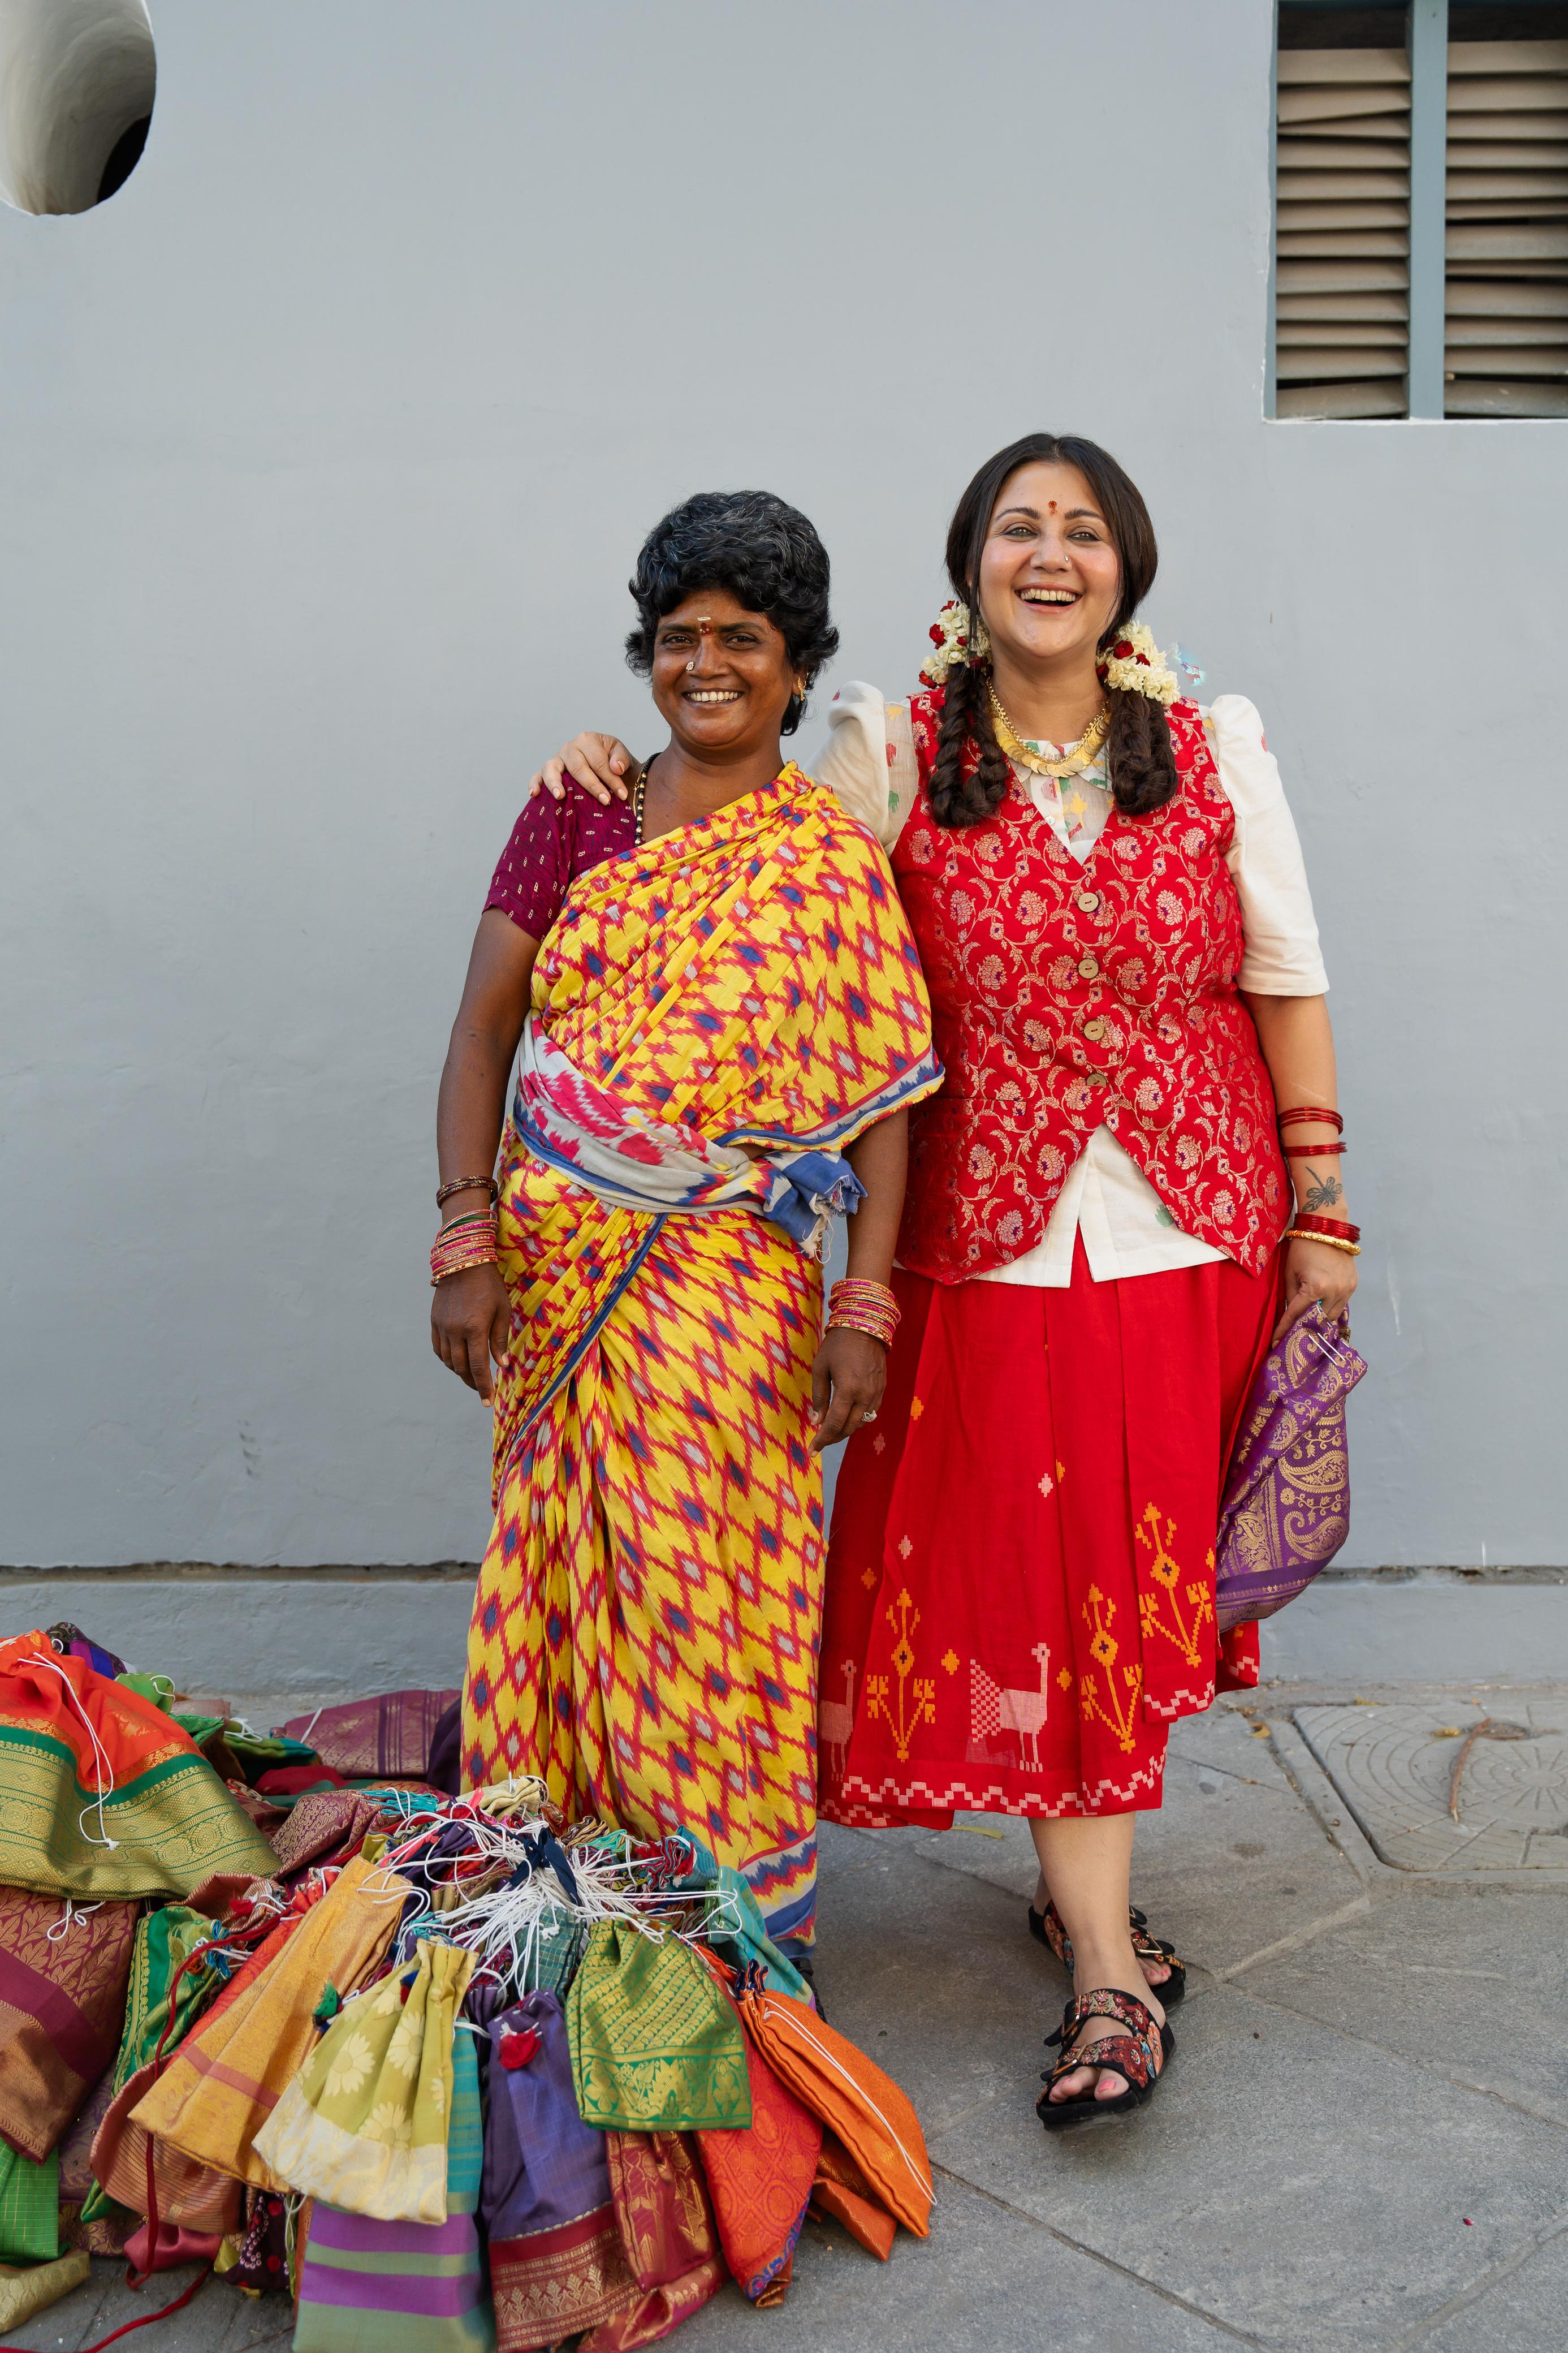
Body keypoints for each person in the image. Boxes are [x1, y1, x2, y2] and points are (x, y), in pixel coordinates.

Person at [525, 433, 1358, 2118]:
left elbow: (1285, 976)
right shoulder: (892, 747)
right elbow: (753, 876)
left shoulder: (1216, 745)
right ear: (971, 565)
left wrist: (1323, 1200)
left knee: (1126, 1577)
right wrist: (610, 780)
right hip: (980, 1240)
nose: (1050, 554)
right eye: (1016, 528)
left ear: (1125, 567)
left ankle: (1091, 1920)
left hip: (1187, 1225)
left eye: (1083, 530)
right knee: (1041, 1577)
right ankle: (1106, 1952)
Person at [430, 490, 940, 1958]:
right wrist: (466, 1239)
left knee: (712, 1600)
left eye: (742, 638)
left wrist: (863, 1308)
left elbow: (883, 1099)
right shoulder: (579, 810)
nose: (704, 664)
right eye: (677, 636)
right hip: (561, 1277)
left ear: (797, 663)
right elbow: (484, 1029)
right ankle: (554, 1905)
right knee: (561, 1574)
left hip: (735, 1294)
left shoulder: (827, 854)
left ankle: (725, 1929)